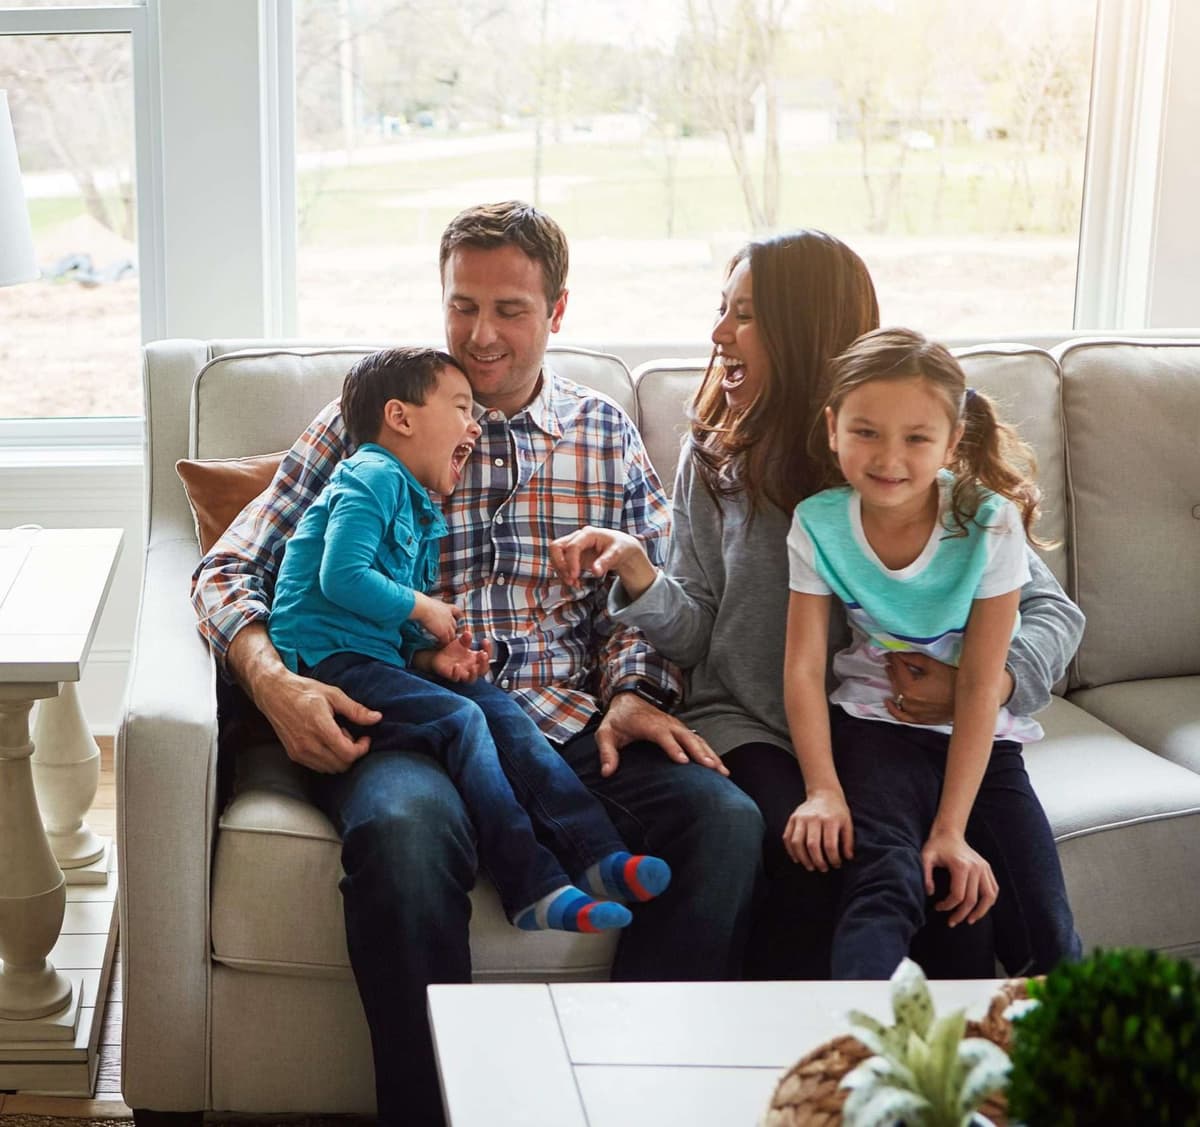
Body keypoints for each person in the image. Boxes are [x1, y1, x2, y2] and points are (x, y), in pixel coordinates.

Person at [192, 201, 764, 1127]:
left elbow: (641, 596)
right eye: (463, 306)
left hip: (562, 718)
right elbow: (228, 566)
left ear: (559, 311)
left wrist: (632, 691)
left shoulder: (604, 433)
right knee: (404, 837)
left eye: (511, 310)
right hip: (405, 724)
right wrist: (272, 678)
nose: (482, 334)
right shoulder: (374, 422)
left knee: (726, 821)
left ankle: (639, 1103)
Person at [549, 229, 1085, 979]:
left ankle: (929, 1081)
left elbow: (1053, 614)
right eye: (721, 309)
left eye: (743, 315)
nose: (717, 334)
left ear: (802, 330)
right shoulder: (716, 457)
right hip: (755, 725)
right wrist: (640, 576)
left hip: (885, 732)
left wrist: (976, 686)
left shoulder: (899, 458)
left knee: (959, 909)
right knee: (814, 861)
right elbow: (699, 628)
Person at [267, 345, 672, 935]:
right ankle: (531, 883)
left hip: (367, 655)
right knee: (463, 720)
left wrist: (432, 654)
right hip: (324, 666)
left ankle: (595, 854)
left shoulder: (416, 502)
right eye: (460, 408)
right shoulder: (371, 473)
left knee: (494, 706)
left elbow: (375, 621)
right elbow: (341, 578)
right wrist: (424, 606)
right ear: (401, 418)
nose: (475, 424)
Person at [782, 326, 1081, 978]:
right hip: (873, 729)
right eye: (865, 431)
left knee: (1046, 920)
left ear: (951, 441)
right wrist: (822, 789)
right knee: (884, 882)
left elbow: (978, 685)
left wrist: (952, 829)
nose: (889, 457)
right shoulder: (817, 522)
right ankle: (851, 1051)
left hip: (981, 741)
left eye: (917, 438)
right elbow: (803, 668)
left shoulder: (989, 523)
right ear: (833, 428)